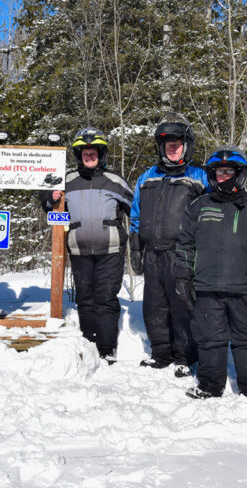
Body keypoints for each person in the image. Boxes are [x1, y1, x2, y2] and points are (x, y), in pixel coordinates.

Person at [175, 146, 247, 406]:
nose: (224, 177)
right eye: (219, 172)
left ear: (240, 174)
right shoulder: (198, 206)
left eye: (229, 171)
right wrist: (183, 276)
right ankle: (209, 385)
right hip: (206, 286)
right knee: (210, 337)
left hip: (245, 288)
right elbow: (185, 243)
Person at [40, 128, 133, 363]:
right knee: (85, 297)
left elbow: (136, 209)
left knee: (106, 297)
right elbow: (46, 203)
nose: (89, 157)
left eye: (93, 153)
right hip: (79, 249)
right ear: (78, 156)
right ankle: (89, 343)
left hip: (110, 249)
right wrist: (49, 197)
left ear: (101, 155)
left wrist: (139, 238)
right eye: (85, 153)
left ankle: (106, 348)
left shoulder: (115, 181)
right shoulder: (68, 180)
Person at [129, 112, 209, 376]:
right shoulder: (147, 177)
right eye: (167, 145)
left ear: (186, 146)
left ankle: (185, 356)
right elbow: (136, 215)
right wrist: (135, 246)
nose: (172, 149)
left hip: (183, 254)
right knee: (155, 305)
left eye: (177, 144)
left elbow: (211, 215)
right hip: (153, 252)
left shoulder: (199, 177)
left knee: (183, 305)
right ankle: (161, 352)